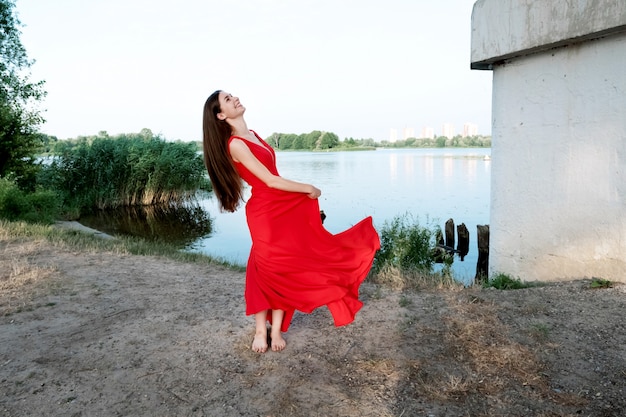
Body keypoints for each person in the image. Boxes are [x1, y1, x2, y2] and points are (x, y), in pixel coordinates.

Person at [202, 90, 380, 353]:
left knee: (287, 265)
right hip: (266, 213)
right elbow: (270, 181)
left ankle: (277, 328)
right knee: (267, 267)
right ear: (220, 115)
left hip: (281, 207)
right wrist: (308, 187)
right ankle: (261, 330)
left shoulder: (254, 136)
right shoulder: (235, 144)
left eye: (232, 95)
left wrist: (298, 196)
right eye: (228, 100)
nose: (235, 98)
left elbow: (275, 176)